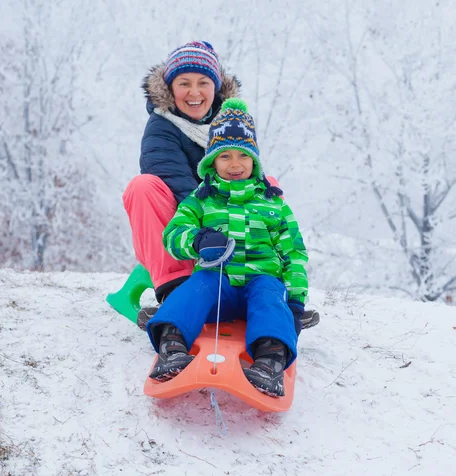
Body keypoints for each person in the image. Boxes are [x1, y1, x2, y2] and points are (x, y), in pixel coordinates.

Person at [121, 41, 319, 331]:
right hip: (184, 223)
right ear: (170, 87)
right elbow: (179, 187)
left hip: (227, 221)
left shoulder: (229, 123)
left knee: (269, 187)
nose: (194, 92)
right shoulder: (160, 127)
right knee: (142, 187)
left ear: (215, 87)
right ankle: (175, 290)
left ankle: (270, 287)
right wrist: (205, 231)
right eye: (184, 83)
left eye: (203, 82)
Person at [145, 98, 308, 397]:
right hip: (218, 287)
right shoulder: (201, 199)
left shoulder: (273, 202)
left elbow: (293, 252)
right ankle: (172, 344)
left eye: (243, 156)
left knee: (270, 292)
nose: (235, 165)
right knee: (199, 284)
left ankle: (269, 361)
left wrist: (295, 303)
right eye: (225, 156)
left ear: (255, 161)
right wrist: (196, 240)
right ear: (211, 162)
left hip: (260, 286)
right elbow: (173, 234)